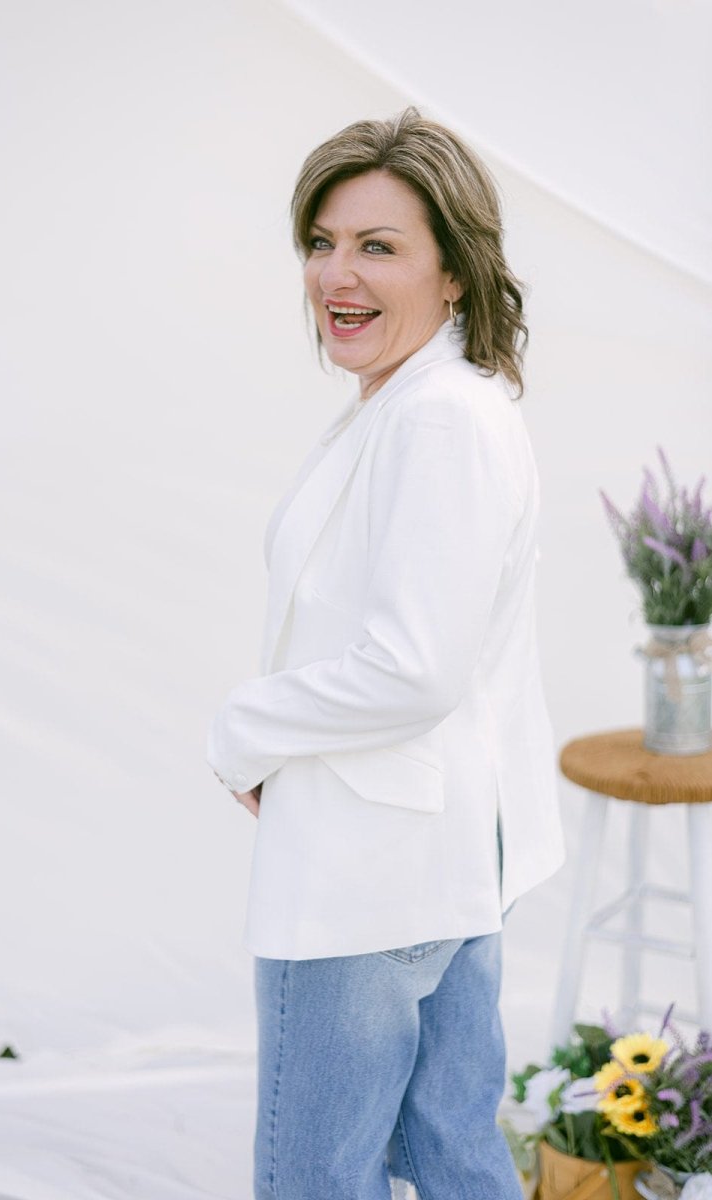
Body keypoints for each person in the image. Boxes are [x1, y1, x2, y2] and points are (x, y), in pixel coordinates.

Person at [206, 107, 564, 1200]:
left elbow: (416, 667)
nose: (336, 275)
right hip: (436, 859)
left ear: (454, 272)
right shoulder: (423, 403)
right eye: (321, 242)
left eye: (377, 245)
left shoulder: (435, 419)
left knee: (317, 1177)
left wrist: (244, 732)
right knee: (455, 1159)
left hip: (365, 879)